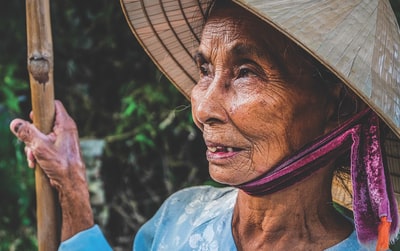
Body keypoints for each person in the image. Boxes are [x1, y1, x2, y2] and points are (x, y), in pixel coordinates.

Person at [9, 0, 400, 250]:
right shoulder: (181, 217)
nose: (203, 108)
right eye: (205, 69)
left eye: (246, 72)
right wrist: (72, 186)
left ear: (339, 105)